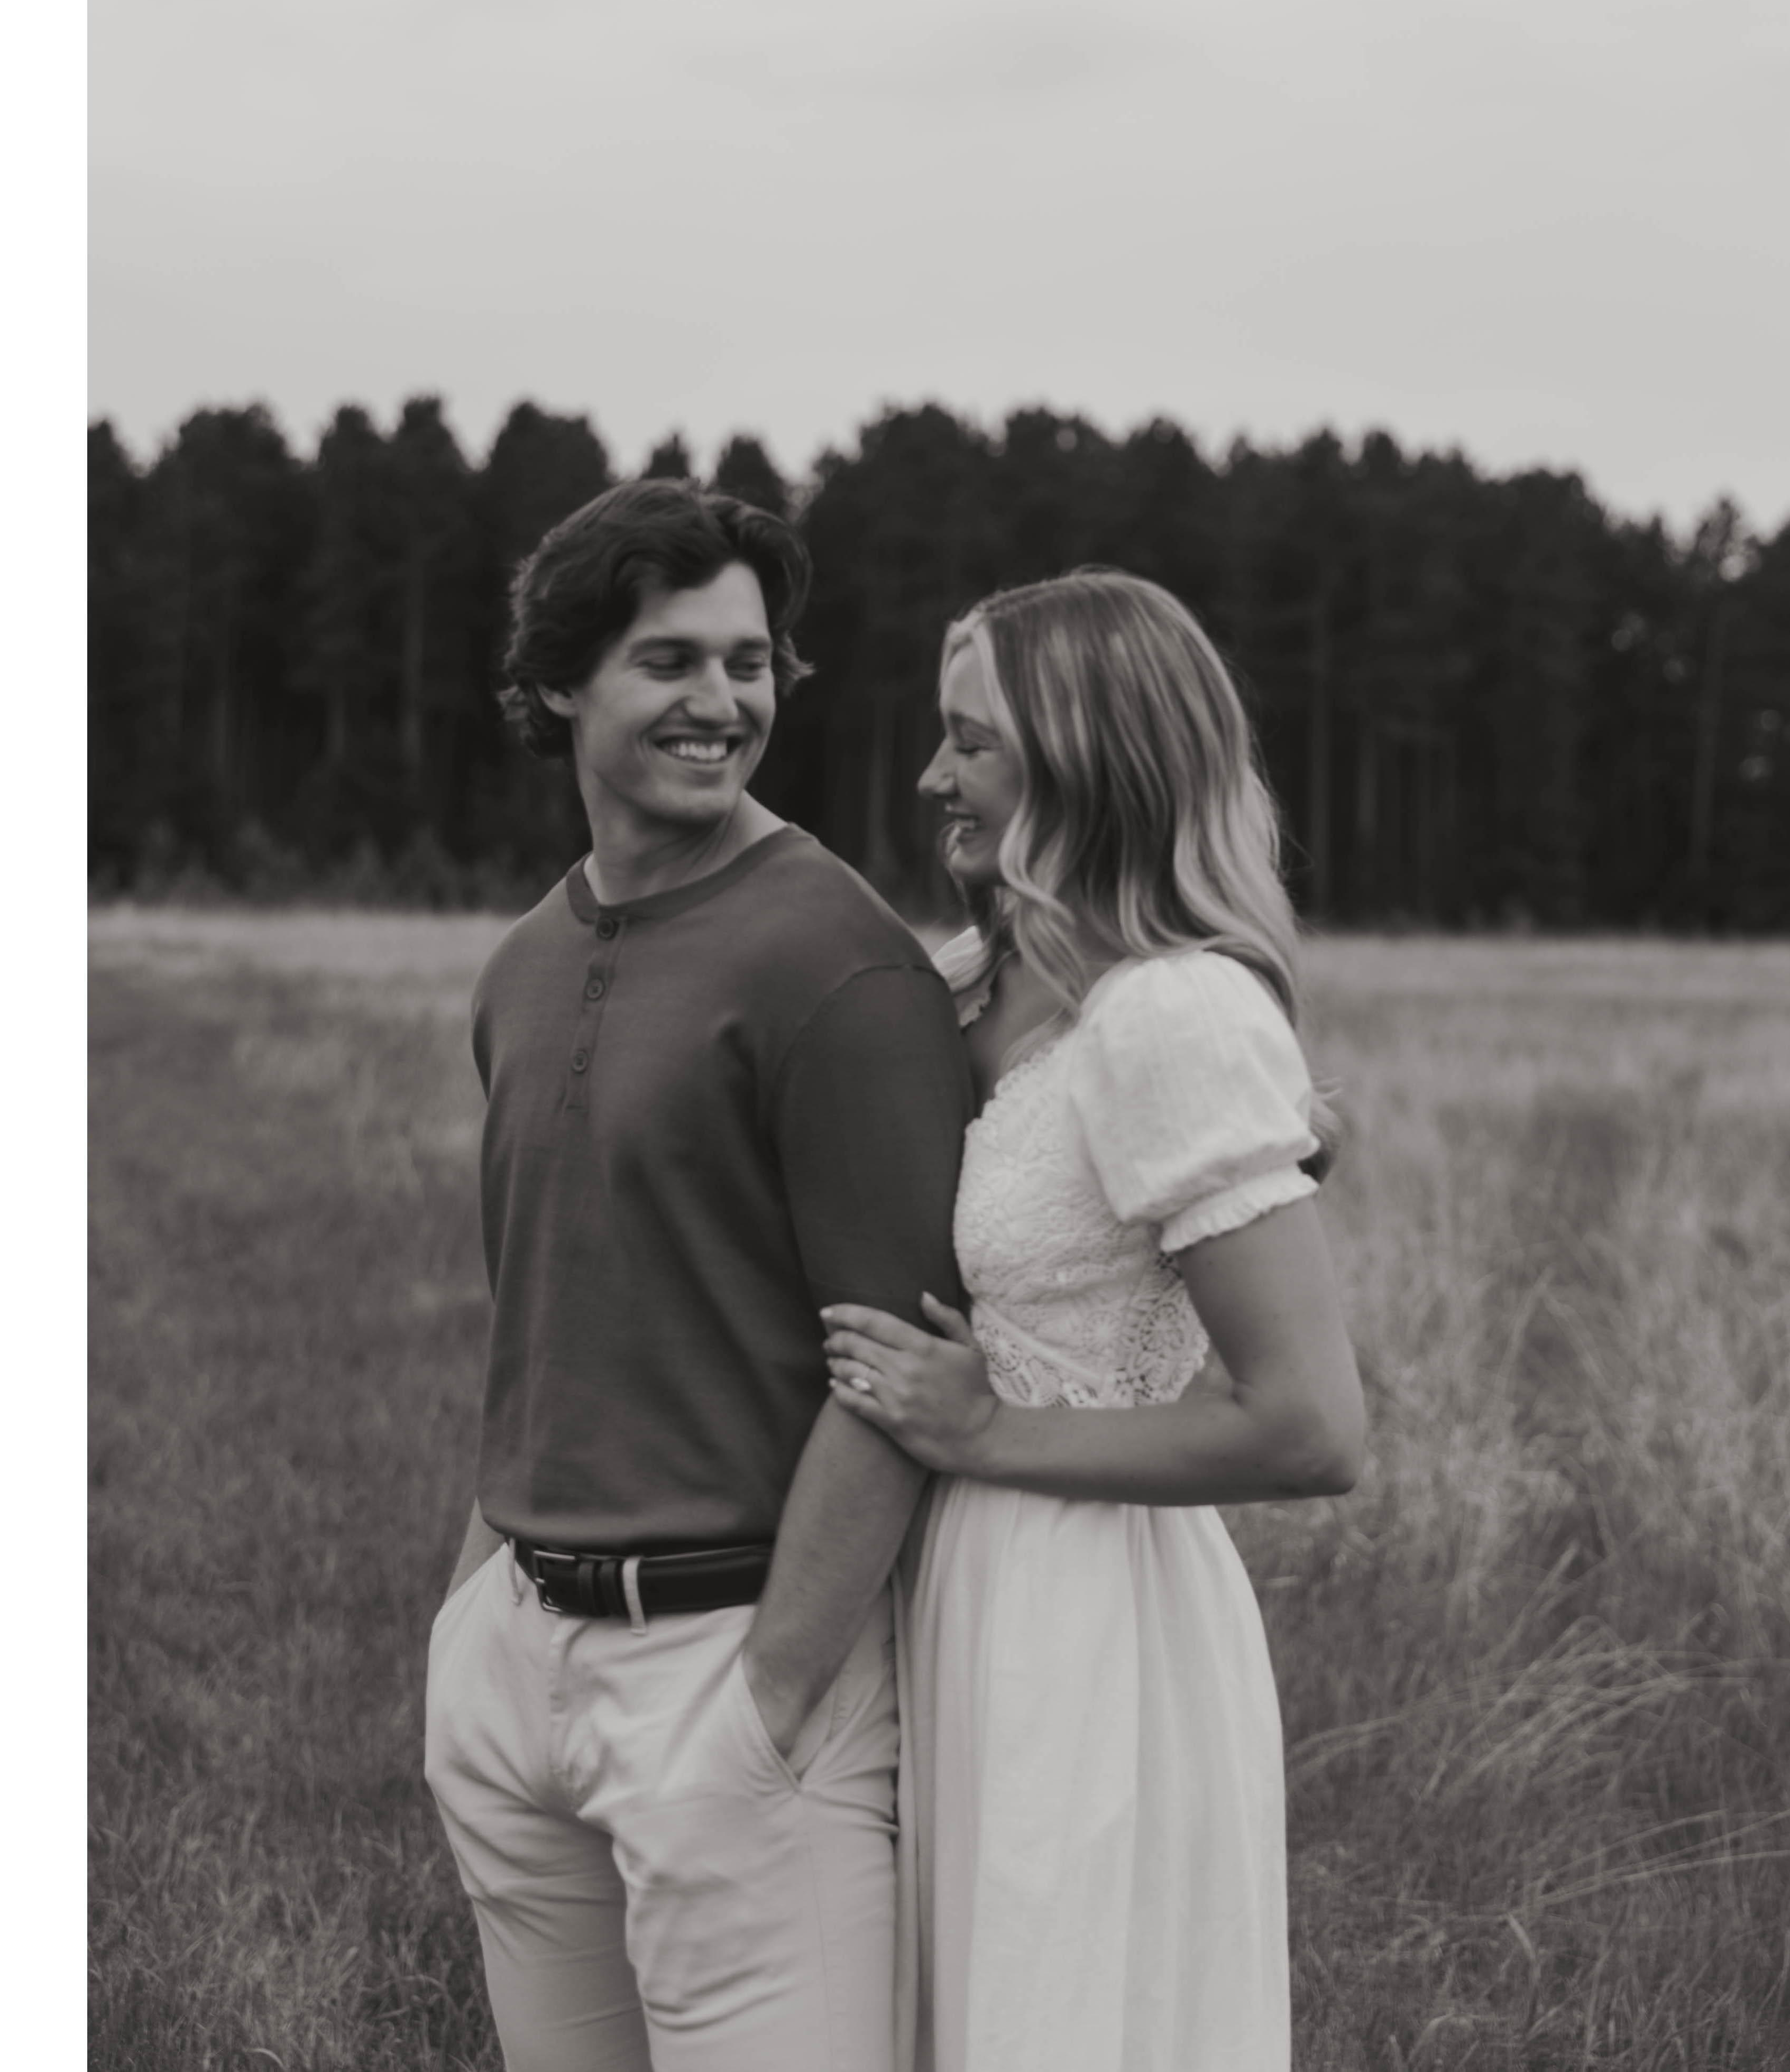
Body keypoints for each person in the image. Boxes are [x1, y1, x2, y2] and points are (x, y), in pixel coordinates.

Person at [424, 477, 974, 2072]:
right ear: (558, 684)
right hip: (515, 1669)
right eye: (670, 662)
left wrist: (769, 1701)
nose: (722, 702)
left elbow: (898, 1372)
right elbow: (543, 1324)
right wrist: (470, 1630)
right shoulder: (522, 967)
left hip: (731, 1671)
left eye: (749, 663)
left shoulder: (839, 963)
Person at [820, 567, 1368, 2072]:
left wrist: (988, 1431)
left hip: (1079, 1614)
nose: (931, 776)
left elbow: (1312, 1426)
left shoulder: (1173, 1014)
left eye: (972, 743)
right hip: (928, 1571)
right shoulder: (969, 980)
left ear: (1089, 763)